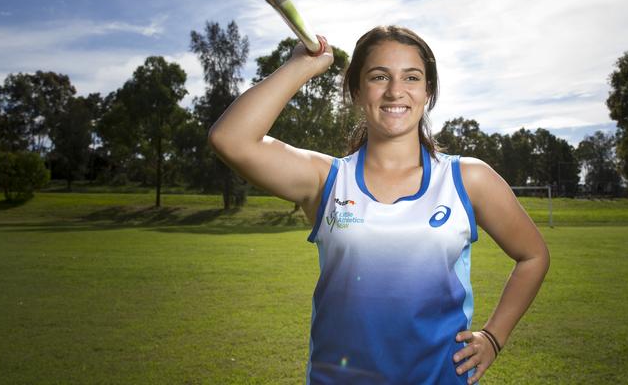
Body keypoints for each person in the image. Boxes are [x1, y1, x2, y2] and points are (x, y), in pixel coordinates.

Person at [208, 25, 550, 385]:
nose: (395, 91)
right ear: (356, 89)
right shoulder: (326, 179)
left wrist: (494, 337)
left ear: (428, 91)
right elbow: (230, 139)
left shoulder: (467, 179)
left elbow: (533, 256)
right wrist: (301, 67)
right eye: (378, 76)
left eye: (412, 77)